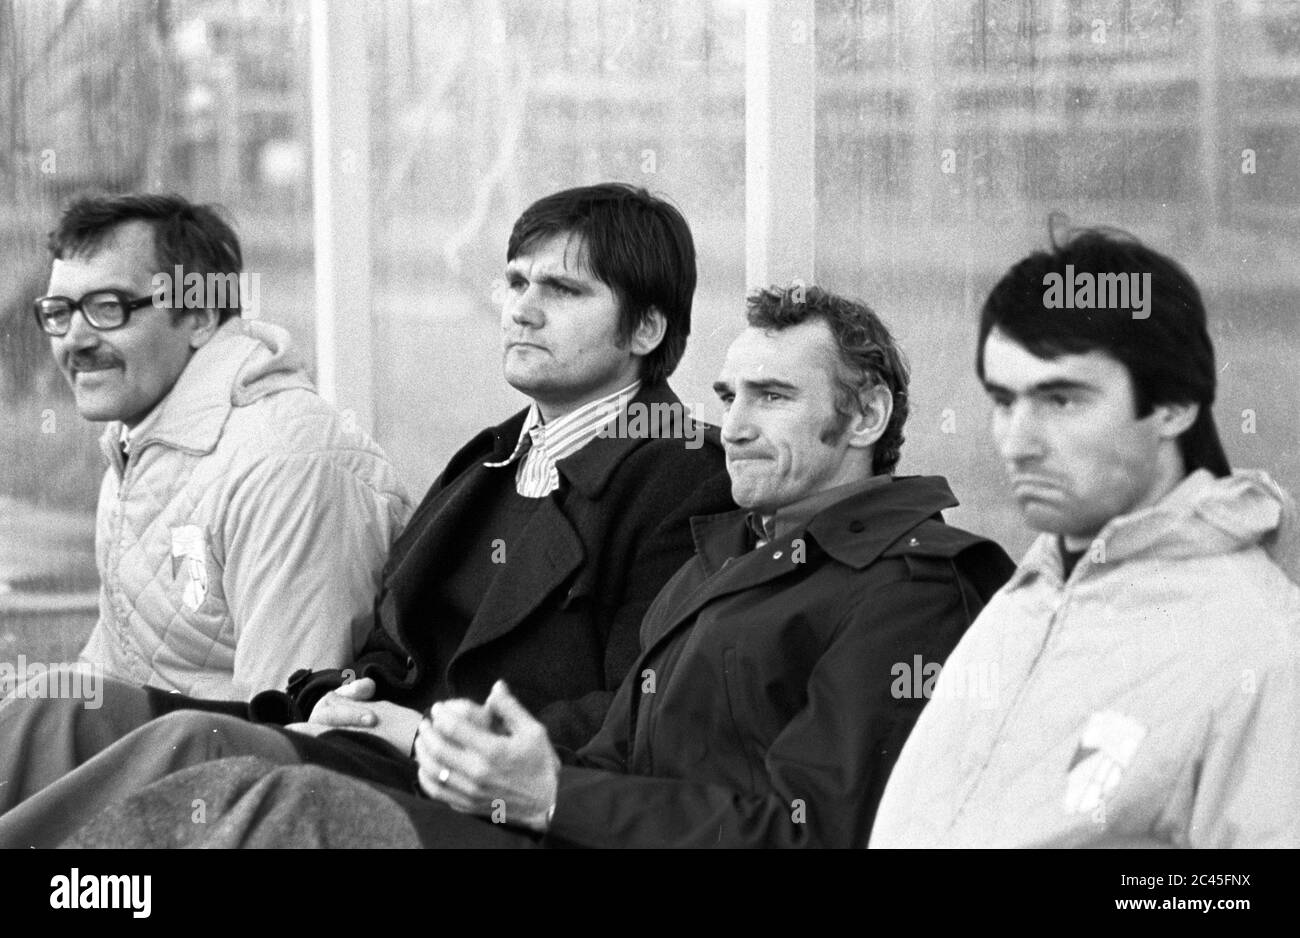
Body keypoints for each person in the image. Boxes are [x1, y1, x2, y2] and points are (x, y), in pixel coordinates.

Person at [63, 284, 1017, 849]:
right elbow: (620, 748)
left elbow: (810, 830)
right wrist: (460, 747)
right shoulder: (732, 553)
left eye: (771, 397)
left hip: (567, 832)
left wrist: (551, 792)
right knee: (223, 786)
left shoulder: (914, 584)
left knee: (273, 808)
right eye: (729, 394)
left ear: (866, 418)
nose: (730, 424)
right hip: (551, 825)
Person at [0, 182, 733, 848]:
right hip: (375, 744)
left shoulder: (686, 476)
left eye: (563, 290)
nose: (522, 307)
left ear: (645, 331)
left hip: (481, 794)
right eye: (514, 280)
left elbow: (645, 705)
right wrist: (335, 696)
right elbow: (390, 641)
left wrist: (424, 734)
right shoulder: (491, 456)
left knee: (194, 747)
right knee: (65, 711)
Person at [869, 228, 1300, 848]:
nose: (1018, 442)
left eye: (1062, 400)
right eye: (1002, 401)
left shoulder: (1262, 646)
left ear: (1173, 406)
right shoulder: (1028, 599)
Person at [29, 192, 409, 700]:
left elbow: (285, 727)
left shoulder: (285, 467)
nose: (73, 339)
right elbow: (110, 673)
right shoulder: (138, 443)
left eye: (106, 308)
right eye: (59, 311)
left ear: (200, 316)